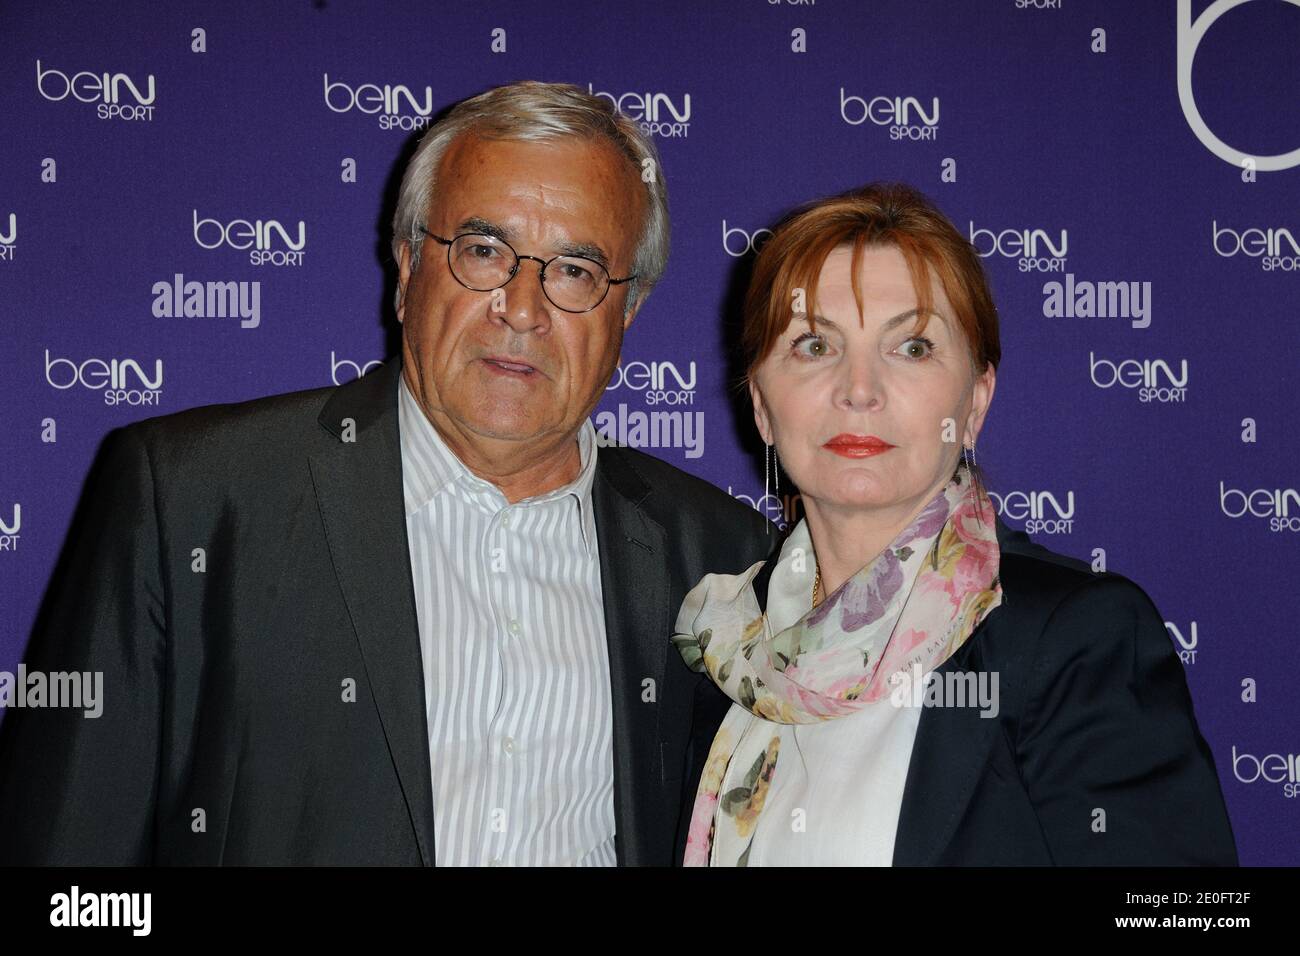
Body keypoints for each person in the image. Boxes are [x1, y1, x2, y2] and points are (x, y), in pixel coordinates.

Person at [0, 80, 773, 866]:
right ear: (407, 267)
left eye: (575, 269)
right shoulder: (193, 501)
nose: (522, 307)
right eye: (483, 251)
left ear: (628, 309)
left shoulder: (720, 556)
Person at [672, 182, 1237, 866]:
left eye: (911, 348)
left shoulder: (1071, 640)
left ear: (975, 402)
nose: (859, 388)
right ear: (762, 405)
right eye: (815, 346)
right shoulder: (726, 654)